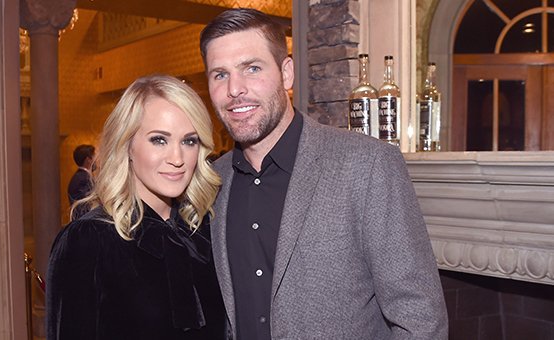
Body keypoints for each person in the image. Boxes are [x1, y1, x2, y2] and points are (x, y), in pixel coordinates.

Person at [200, 8, 448, 339]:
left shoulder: (367, 166)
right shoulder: (212, 181)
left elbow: (420, 319)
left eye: (252, 68)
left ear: (286, 73)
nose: (235, 89)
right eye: (220, 74)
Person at [46, 75, 226, 339]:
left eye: (189, 141)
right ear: (127, 145)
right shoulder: (88, 241)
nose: (177, 159)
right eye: (159, 140)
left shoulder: (205, 231)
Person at [67, 144, 96, 219]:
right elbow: (88, 206)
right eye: (94, 156)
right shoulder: (82, 180)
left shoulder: (82, 177)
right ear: (88, 160)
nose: (97, 160)